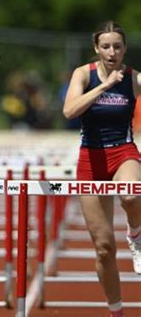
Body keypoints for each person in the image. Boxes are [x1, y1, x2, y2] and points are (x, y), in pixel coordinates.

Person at [63, 21, 141, 317]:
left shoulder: (134, 78)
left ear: (125, 49)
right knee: (105, 249)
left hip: (124, 153)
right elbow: (69, 111)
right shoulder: (84, 74)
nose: (112, 52)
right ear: (97, 48)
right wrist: (105, 85)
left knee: (132, 195)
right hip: (90, 160)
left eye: (118, 47)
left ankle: (136, 233)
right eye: (106, 46)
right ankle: (116, 310)